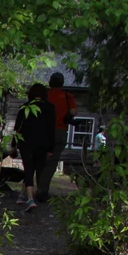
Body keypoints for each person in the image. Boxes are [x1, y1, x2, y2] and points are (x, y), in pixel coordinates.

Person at [12, 83, 55, 213]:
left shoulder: (24, 108)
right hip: (42, 144)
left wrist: (14, 145)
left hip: (26, 143)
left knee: (29, 168)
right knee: (35, 169)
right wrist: (51, 148)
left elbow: (17, 128)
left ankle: (28, 197)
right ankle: (27, 196)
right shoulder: (50, 108)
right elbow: (51, 129)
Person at [38, 72, 77, 202]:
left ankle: (36, 188)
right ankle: (43, 190)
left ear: (50, 82)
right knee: (52, 162)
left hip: (43, 131)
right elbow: (73, 112)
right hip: (59, 131)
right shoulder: (67, 96)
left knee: (40, 160)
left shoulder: (44, 95)